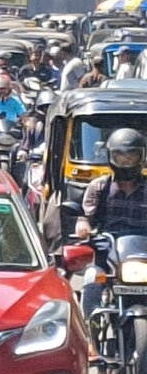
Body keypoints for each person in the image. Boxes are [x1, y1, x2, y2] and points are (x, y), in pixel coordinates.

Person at [75, 129, 147, 360]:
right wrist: (83, 225)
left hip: (142, 253)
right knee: (91, 281)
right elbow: (84, 217)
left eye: (132, 155)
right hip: (108, 254)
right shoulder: (99, 187)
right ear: (110, 157)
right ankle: (91, 339)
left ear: (141, 157)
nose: (126, 161)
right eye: (120, 155)